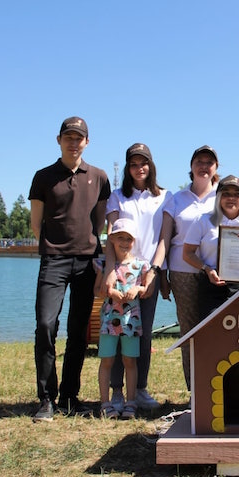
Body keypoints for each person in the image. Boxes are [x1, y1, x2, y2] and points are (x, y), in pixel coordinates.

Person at [29, 116, 110, 422]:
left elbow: (99, 222)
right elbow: (36, 224)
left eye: (79, 138)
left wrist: (86, 246)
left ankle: (69, 397)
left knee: (78, 331)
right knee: (45, 325)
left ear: (87, 142)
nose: (73, 143)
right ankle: (46, 399)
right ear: (59, 140)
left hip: (87, 261)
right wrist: (55, 247)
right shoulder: (43, 177)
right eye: (68, 137)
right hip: (54, 260)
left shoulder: (99, 177)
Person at [105, 143, 173, 414]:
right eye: (133, 164)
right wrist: (110, 272)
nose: (139, 168)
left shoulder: (165, 197)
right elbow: (110, 237)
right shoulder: (117, 197)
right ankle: (117, 392)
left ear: (151, 165)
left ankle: (140, 389)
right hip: (122, 272)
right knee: (117, 331)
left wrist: (154, 272)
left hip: (148, 273)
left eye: (143, 163)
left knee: (142, 333)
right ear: (127, 168)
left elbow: (165, 238)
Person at [168, 145, 219, 390]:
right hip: (183, 273)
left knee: (216, 328)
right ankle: (194, 390)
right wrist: (163, 274)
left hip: (216, 274)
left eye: (209, 162)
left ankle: (215, 385)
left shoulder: (223, 196)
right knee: (188, 330)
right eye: (199, 161)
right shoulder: (176, 199)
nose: (204, 166)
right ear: (191, 166)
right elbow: (166, 237)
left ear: (216, 168)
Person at [183, 175, 239, 320]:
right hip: (212, 284)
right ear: (218, 197)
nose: (231, 198)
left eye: (236, 194)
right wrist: (206, 269)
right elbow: (187, 253)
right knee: (212, 328)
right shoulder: (203, 221)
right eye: (226, 194)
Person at [94, 218, 149, 420]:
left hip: (131, 322)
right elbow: (97, 291)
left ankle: (131, 401)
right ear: (112, 240)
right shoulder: (104, 266)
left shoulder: (141, 265)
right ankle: (105, 403)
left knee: (129, 360)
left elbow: (147, 290)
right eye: (120, 238)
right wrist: (109, 293)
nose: (124, 243)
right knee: (107, 360)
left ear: (134, 241)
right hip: (109, 322)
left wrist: (138, 289)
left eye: (128, 239)